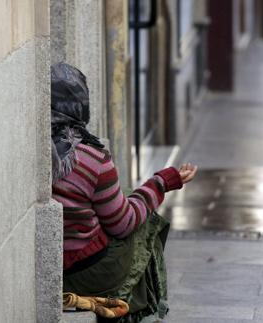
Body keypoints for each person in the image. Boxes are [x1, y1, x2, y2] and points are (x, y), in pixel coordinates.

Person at [50, 62, 197, 322]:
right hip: (85, 272)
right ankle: (140, 310)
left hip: (50, 269)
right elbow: (123, 223)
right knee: (144, 224)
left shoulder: (35, 147)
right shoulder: (91, 159)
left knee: (129, 200)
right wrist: (161, 183)